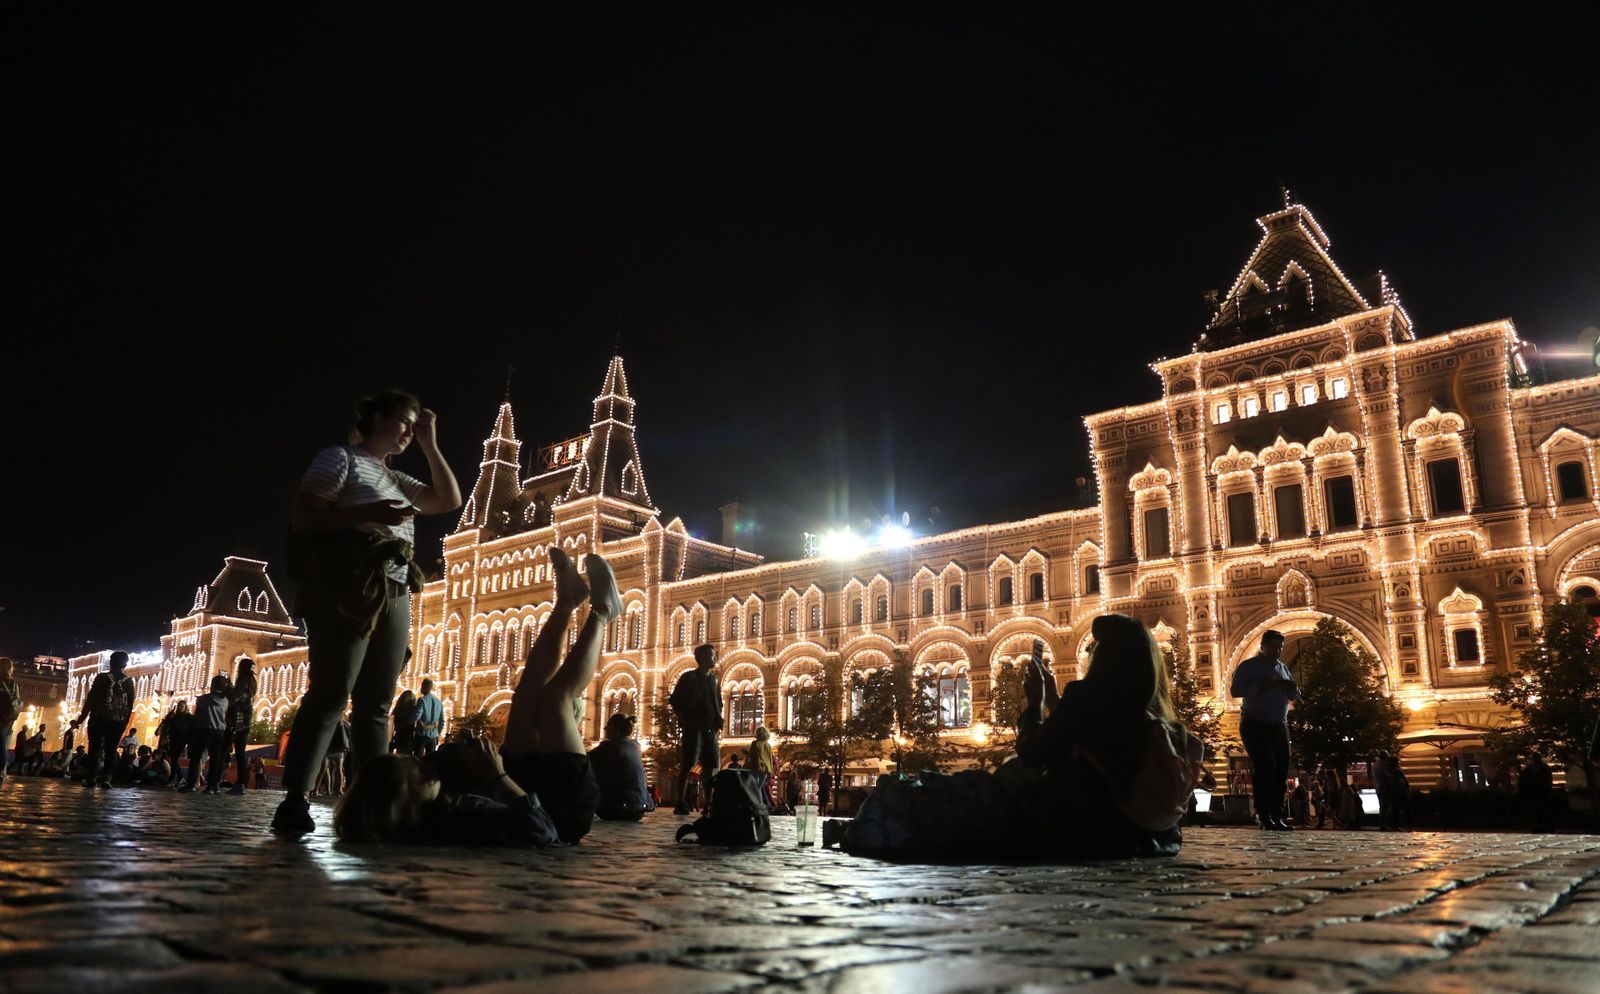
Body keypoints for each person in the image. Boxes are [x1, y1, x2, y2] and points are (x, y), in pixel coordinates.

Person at [840, 614, 1201, 860]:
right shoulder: (1166, 724)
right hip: (1135, 837)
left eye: (1094, 650)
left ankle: (866, 827)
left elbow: (1034, 753)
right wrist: (1057, 700)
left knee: (920, 793)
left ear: (1106, 658)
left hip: (1068, 827)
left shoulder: (1089, 699)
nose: (1089, 654)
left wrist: (1034, 704)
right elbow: (1088, 742)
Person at [336, 547, 619, 846]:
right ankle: (603, 611)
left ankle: (567, 601)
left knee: (525, 695)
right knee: (554, 699)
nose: (425, 771)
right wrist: (497, 775)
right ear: (404, 807)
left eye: (415, 767)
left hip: (523, 777)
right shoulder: (454, 818)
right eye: (415, 778)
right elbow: (542, 830)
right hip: (562, 807)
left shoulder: (435, 786)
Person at [273, 391, 462, 836]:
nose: (407, 432)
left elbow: (448, 499)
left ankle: (374, 804)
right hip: (349, 584)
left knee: (377, 703)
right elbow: (304, 518)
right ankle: (295, 799)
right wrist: (368, 512)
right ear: (375, 418)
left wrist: (431, 444)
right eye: (402, 422)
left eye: (414, 425)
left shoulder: (397, 479)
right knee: (332, 692)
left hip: (396, 586)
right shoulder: (340, 459)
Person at [1229, 630, 1301, 831]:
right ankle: (1264, 815)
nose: (1277, 651)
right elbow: (1235, 690)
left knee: (1281, 770)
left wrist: (1292, 689)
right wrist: (1262, 685)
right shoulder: (1249, 666)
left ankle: (1277, 815)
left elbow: (1295, 694)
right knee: (1266, 768)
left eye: (1280, 647)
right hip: (1254, 723)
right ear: (1263, 646)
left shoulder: (1283, 668)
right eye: (1273, 647)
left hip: (1279, 724)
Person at [72, 650, 137, 789]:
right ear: (125, 664)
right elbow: (130, 704)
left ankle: (91, 779)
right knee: (111, 750)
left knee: (94, 749)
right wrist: (124, 722)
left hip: (98, 718)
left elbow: (90, 699)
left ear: (111, 662)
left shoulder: (102, 678)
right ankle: (107, 778)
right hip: (117, 721)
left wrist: (81, 719)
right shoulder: (129, 682)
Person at [669, 644, 722, 815]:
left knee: (710, 766)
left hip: (710, 728)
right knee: (688, 764)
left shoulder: (714, 679)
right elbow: (675, 700)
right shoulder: (689, 677)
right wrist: (685, 720)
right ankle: (681, 801)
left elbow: (717, 702)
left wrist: (718, 721)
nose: (714, 659)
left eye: (714, 656)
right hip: (694, 726)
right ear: (702, 658)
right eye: (711, 656)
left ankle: (709, 802)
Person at [588, 712, 655, 821]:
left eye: (608, 725)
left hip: (614, 810)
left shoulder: (608, 747)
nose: (605, 728)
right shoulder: (635, 746)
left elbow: (583, 761)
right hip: (639, 811)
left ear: (616, 730)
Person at [183, 675, 232, 794]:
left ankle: (192, 784)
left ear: (213, 685)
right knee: (215, 759)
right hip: (219, 732)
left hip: (204, 730)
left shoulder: (203, 699)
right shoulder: (225, 701)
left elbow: (197, 715)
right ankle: (211, 786)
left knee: (196, 757)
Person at [224, 658, 258, 795]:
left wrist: (227, 690)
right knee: (240, 753)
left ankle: (215, 781)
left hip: (237, 721)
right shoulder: (252, 682)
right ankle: (241, 783)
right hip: (246, 721)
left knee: (225, 750)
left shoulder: (243, 681)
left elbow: (233, 700)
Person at [157, 702, 192, 783]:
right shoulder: (175, 717)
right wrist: (169, 714)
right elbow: (167, 723)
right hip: (173, 739)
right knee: (173, 759)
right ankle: (180, 777)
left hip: (182, 739)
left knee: (175, 757)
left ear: (185, 707)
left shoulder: (188, 717)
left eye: (182, 706)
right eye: (179, 706)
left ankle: (173, 778)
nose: (180, 707)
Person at [1374, 750, 1409, 831]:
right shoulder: (1384, 765)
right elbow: (1388, 778)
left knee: (1383, 807)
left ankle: (1383, 825)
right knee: (1387, 807)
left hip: (1379, 788)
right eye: (1387, 756)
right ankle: (1385, 825)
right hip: (1386, 789)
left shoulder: (1375, 765)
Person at [1519, 753, 1554, 832]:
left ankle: (1541, 826)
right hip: (1535, 794)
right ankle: (1539, 826)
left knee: (1541, 811)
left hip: (1540, 793)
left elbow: (1548, 780)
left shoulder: (1541, 769)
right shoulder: (1530, 770)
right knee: (1537, 811)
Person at [0, 657, 20, 786]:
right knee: (2, 746)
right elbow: (17, 703)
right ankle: (1, 771)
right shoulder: (13, 684)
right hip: (6, 720)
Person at [413, 679, 443, 757]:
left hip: (421, 736)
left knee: (418, 759)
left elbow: (416, 716)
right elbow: (442, 721)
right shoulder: (439, 702)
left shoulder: (422, 700)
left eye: (422, 687)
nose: (420, 689)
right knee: (430, 761)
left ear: (425, 687)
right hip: (433, 737)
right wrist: (437, 733)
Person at [749, 726, 777, 810]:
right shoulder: (768, 745)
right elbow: (770, 759)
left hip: (756, 768)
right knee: (759, 787)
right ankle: (760, 806)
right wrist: (770, 772)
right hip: (766, 770)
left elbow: (751, 756)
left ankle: (757, 806)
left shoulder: (755, 743)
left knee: (755, 788)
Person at [323, 717, 352, 795]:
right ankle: (338, 789)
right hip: (340, 747)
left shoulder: (332, 721)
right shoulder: (345, 723)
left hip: (330, 746)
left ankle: (329, 789)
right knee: (338, 769)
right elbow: (350, 732)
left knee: (327, 769)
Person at [390, 689, 418, 754]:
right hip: (408, 738)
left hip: (398, 737)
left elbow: (396, 725)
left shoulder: (398, 709)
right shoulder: (412, 711)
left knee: (399, 754)